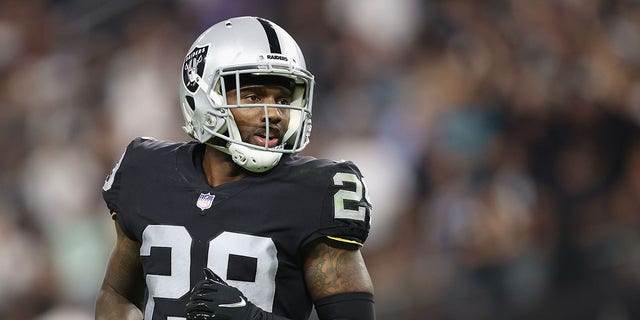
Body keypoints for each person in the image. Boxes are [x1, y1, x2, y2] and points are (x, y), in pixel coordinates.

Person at [95, 16, 375, 320]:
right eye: (253, 96)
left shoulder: (315, 191)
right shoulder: (147, 170)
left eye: (282, 99)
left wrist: (255, 318)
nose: (275, 114)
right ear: (202, 94)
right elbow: (116, 294)